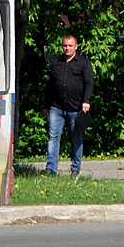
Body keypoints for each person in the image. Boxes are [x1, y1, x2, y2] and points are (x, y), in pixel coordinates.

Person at [43, 34, 93, 176]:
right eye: (65, 45)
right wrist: (46, 105)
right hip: (56, 107)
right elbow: (50, 85)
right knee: (53, 136)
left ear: (76, 46)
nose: (67, 48)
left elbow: (89, 83)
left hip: (76, 108)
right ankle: (51, 168)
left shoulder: (83, 64)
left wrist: (86, 101)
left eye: (70, 46)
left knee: (76, 137)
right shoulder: (56, 63)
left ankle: (76, 168)